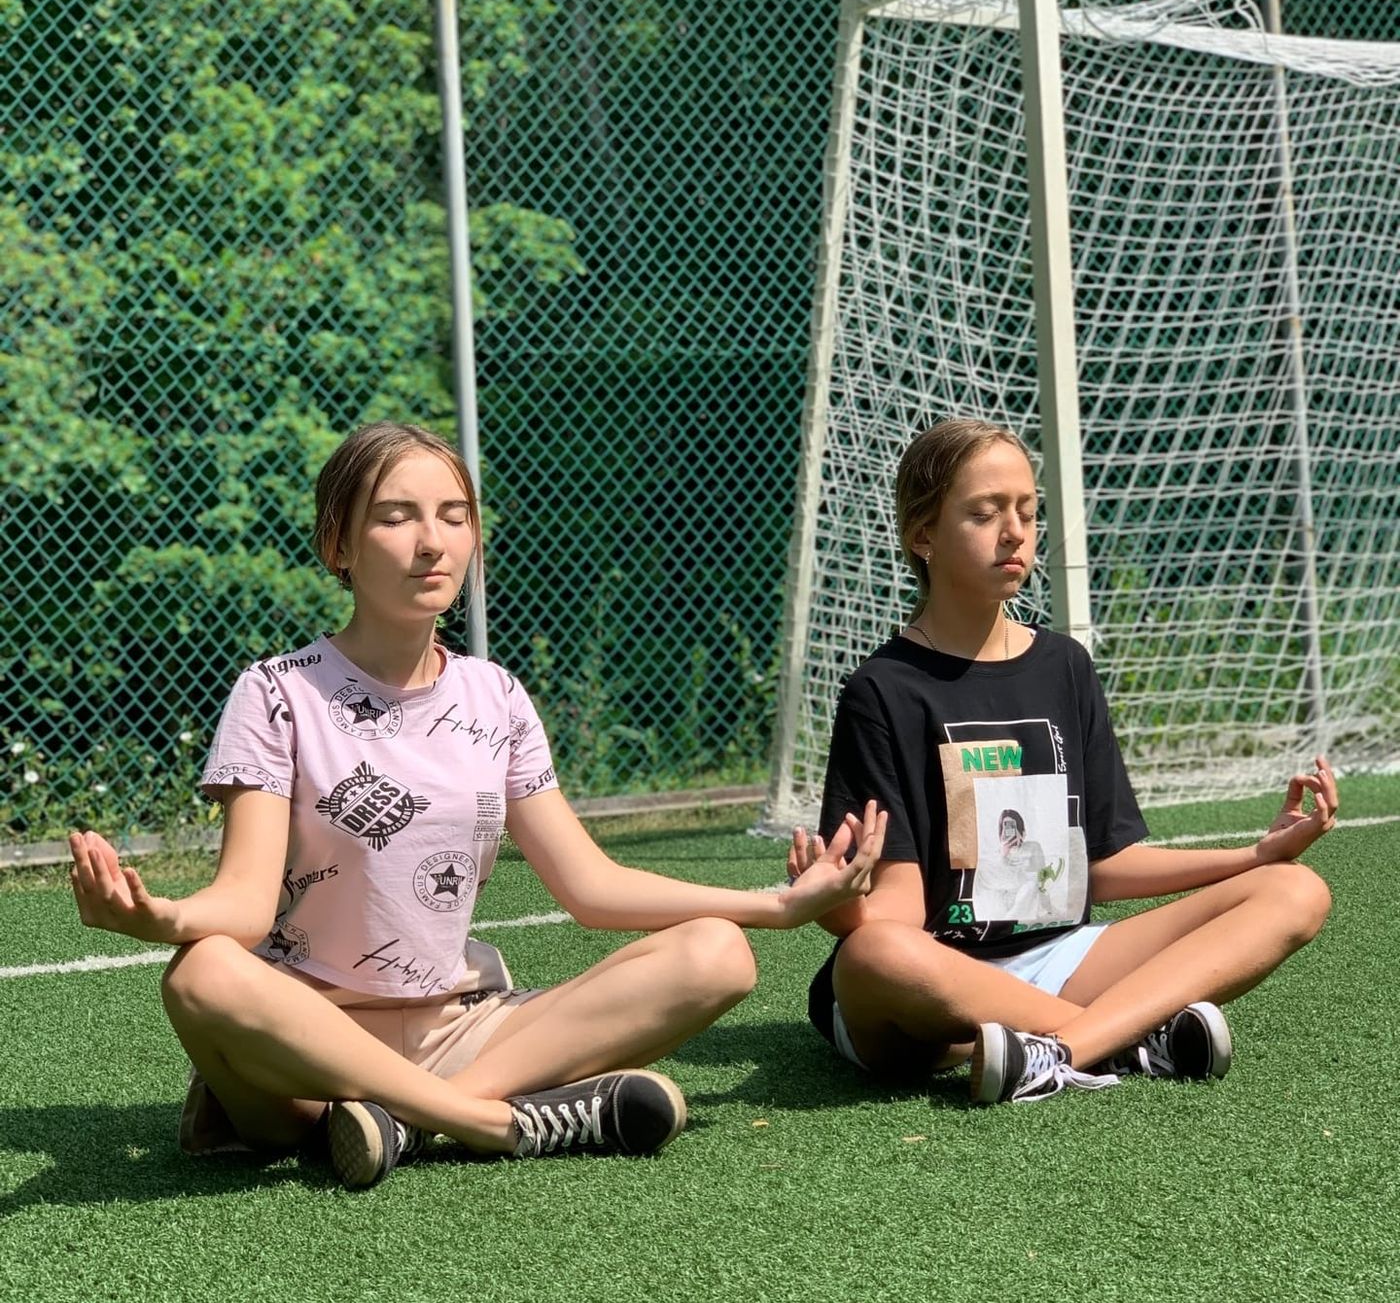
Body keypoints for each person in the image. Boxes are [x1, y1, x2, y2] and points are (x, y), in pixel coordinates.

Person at [68, 421, 885, 1186]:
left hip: (464, 1028)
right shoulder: (278, 692)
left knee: (718, 953)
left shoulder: (496, 696)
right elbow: (244, 904)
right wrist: (161, 917)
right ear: (337, 545)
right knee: (202, 972)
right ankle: (490, 1122)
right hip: (305, 1051)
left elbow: (590, 886)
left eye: (453, 516)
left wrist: (776, 906)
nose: (432, 541)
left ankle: (406, 1123)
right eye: (396, 516)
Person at [789, 417, 1336, 1104]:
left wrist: (1255, 856)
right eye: (985, 513)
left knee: (1295, 891)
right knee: (874, 954)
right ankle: (1128, 1036)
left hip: (1059, 959)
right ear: (923, 535)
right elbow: (898, 911)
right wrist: (839, 910)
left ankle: (1060, 1051)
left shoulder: (1065, 666)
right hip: (932, 983)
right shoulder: (884, 690)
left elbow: (1100, 865)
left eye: (1026, 510)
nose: (1014, 532)